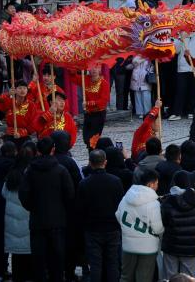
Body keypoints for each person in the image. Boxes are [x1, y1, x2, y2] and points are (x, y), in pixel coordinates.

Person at [19, 137, 75, 282]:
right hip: (57, 220)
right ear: (53, 150)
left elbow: (23, 194)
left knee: (39, 260)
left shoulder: (30, 171)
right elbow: (70, 194)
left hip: (37, 220)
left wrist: (33, 207)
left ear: (38, 151)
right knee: (57, 259)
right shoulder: (61, 171)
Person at [78, 149, 124, 282]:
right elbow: (120, 204)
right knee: (112, 262)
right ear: (105, 162)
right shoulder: (115, 181)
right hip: (112, 227)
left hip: (92, 228)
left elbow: (80, 209)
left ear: (90, 163)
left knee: (95, 264)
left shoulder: (84, 184)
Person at [116, 169, 162, 282]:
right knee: (143, 278)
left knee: (125, 277)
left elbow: (118, 215)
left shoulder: (126, 198)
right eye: (156, 183)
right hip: (147, 247)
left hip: (128, 245)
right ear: (151, 184)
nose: (157, 186)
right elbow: (158, 229)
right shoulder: (154, 203)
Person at [159, 171, 195, 279]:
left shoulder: (168, 201)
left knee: (169, 276)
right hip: (191, 246)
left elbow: (164, 222)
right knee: (189, 276)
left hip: (171, 245)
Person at [83, 62, 111, 149]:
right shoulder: (85, 79)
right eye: (92, 67)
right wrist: (77, 67)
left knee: (93, 140)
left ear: (100, 69)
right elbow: (73, 78)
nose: (94, 70)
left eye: (96, 67)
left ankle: (95, 155)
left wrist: (88, 103)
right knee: (86, 138)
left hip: (99, 114)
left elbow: (103, 101)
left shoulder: (104, 83)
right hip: (88, 114)